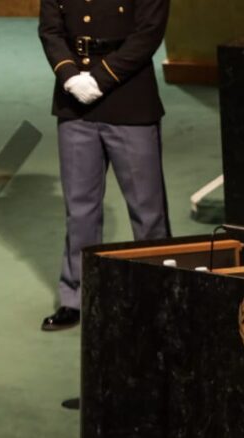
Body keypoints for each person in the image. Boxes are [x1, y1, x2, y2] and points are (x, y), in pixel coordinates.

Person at [38, 0, 171, 330]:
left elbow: (149, 31)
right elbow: (50, 30)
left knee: (147, 211)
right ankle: (77, 297)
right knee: (80, 209)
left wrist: (99, 79)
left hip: (129, 99)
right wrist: (70, 77)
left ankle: (158, 295)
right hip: (75, 104)